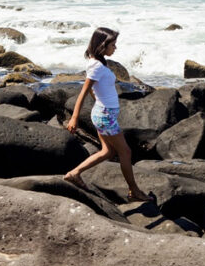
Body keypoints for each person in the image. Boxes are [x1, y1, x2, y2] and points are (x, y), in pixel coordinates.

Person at [64, 27, 150, 201]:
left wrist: (99, 101)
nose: (115, 48)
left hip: (103, 113)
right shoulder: (96, 66)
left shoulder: (96, 62)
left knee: (108, 152)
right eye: (113, 44)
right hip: (105, 116)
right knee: (125, 152)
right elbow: (83, 91)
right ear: (102, 45)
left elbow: (93, 90)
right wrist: (74, 118)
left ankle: (75, 173)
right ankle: (134, 191)